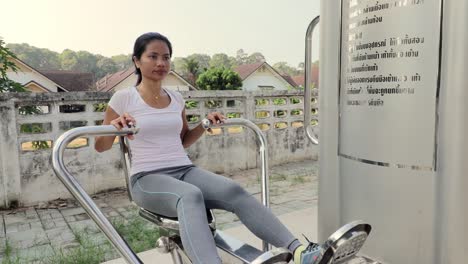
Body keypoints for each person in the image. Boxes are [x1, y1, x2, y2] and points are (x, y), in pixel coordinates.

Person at [95, 32, 326, 264]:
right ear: (137, 61)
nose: (161, 63)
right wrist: (114, 129)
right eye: (153, 56)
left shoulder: (176, 99)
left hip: (184, 170)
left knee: (233, 190)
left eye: (166, 57)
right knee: (190, 195)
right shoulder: (123, 98)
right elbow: (100, 146)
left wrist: (204, 124)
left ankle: (299, 252)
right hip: (147, 178)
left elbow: (182, 139)